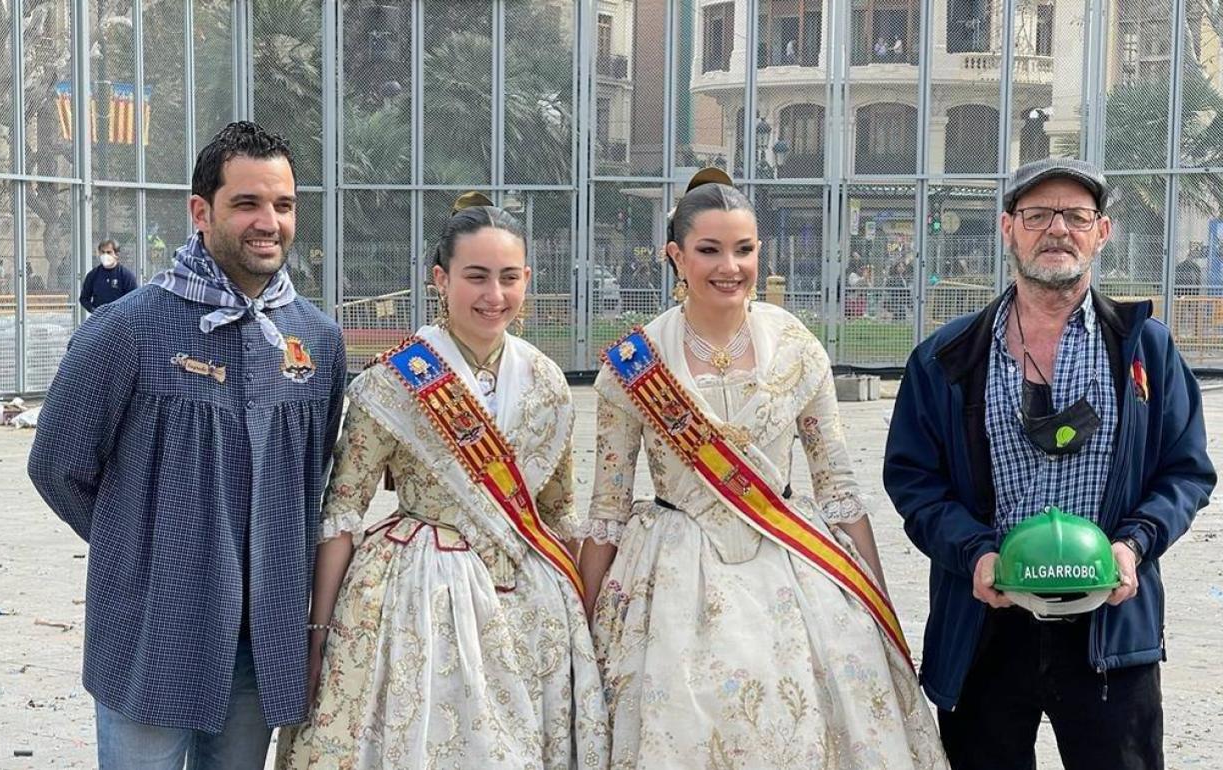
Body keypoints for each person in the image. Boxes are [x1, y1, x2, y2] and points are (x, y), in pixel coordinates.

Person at [578, 168, 947, 768]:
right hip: (672, 575)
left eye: (744, 249)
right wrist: (586, 624)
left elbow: (838, 489)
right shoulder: (632, 364)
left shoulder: (798, 347)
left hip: (791, 558)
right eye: (709, 250)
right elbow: (607, 512)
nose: (730, 266)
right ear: (675, 256)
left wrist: (876, 602)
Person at [27, 121, 347, 769]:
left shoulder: (317, 341)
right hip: (151, 634)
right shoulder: (129, 330)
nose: (269, 221)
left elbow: (316, 477)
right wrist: (145, 552)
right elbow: (58, 466)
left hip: (262, 643)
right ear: (200, 211)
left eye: (283, 205)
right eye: (247, 203)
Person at [883, 157, 1216, 770]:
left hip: (1109, 628)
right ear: (1008, 227)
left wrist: (1135, 544)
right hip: (988, 620)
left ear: (1102, 231)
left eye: (1075, 215)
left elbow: (1186, 471)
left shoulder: (1146, 349)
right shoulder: (947, 357)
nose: (1057, 228)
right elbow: (913, 480)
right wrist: (976, 551)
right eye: (1038, 214)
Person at [277, 193, 609, 769]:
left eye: (509, 278)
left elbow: (558, 515)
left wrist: (582, 625)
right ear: (440, 277)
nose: (494, 296)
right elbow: (343, 512)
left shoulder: (549, 381)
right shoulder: (396, 380)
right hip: (421, 595)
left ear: (528, 278)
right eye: (475, 276)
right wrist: (321, 633)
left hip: (530, 601)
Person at [80, 239, 138, 311]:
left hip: (119, 317)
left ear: (116, 254)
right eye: (102, 252)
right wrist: (93, 310)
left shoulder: (126, 276)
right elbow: (84, 298)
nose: (105, 255)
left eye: (109, 252)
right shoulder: (93, 275)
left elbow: (134, 299)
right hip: (99, 318)